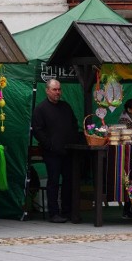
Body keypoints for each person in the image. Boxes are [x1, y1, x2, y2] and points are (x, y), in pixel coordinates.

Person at [31, 79, 81, 223]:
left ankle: (67, 211)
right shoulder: (41, 109)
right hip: (52, 153)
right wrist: (49, 145)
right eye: (54, 90)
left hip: (68, 150)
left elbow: (74, 123)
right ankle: (53, 212)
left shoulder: (65, 106)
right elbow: (37, 130)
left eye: (59, 89)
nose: (57, 92)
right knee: (53, 181)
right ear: (47, 90)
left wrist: (72, 140)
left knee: (69, 181)